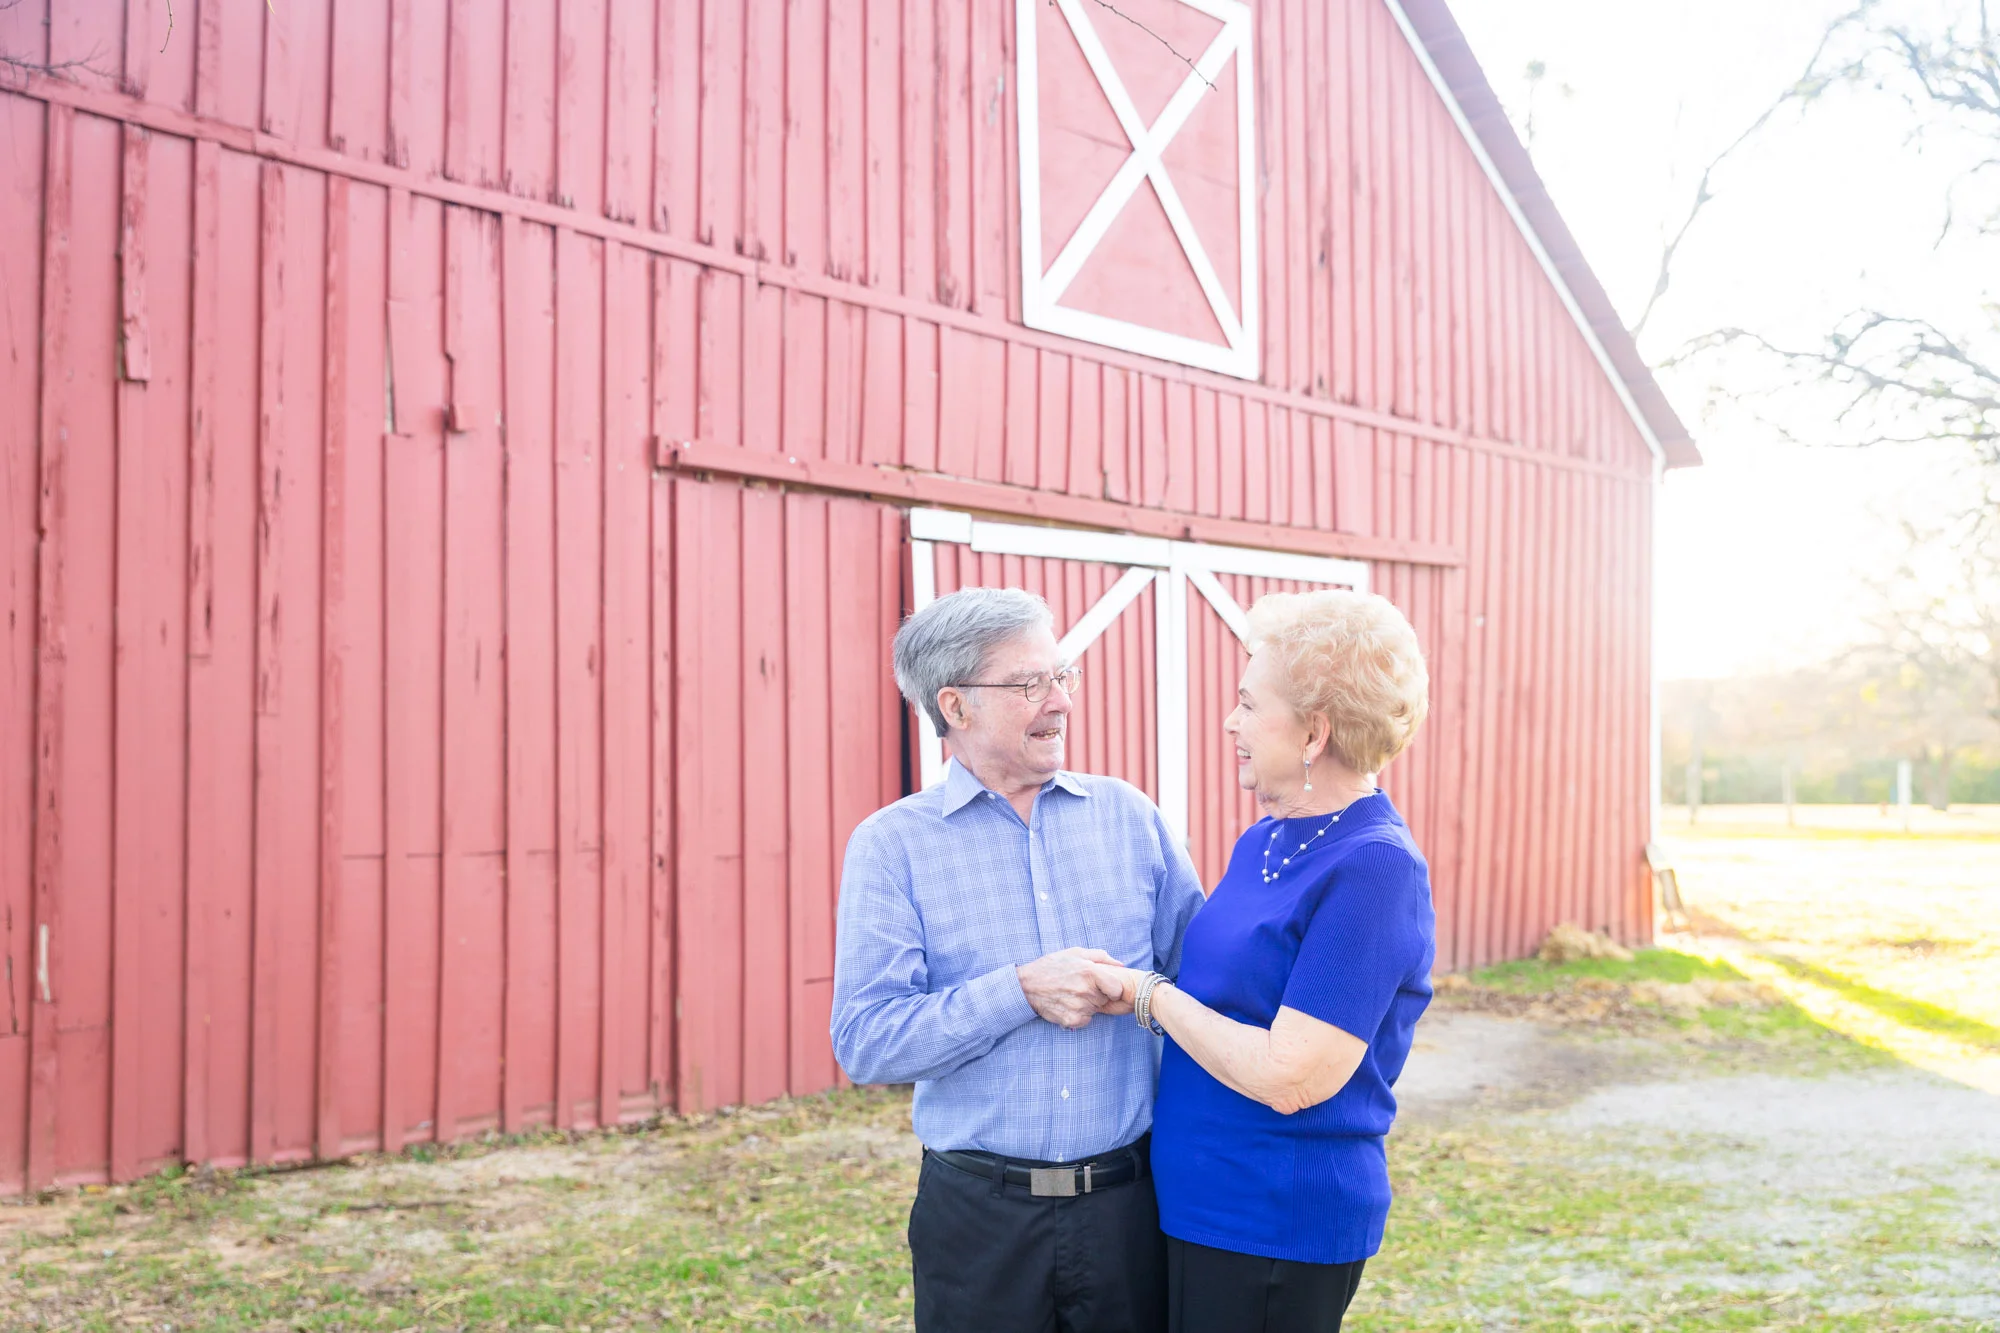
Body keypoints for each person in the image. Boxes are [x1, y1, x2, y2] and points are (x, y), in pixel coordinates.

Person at [831, 586, 1206, 1333]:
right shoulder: (892, 845)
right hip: (977, 1221)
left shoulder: (1130, 817)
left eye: (1062, 675)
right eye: (1028, 683)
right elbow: (866, 1042)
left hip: (1130, 1207)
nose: (1058, 700)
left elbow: (1205, 987)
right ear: (956, 707)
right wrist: (1018, 991)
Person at [1092, 588, 1435, 1333]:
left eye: (1249, 704)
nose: (1231, 722)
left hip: (1275, 1216)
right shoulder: (1266, 841)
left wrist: (1148, 994)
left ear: (1314, 731)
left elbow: (1292, 1074)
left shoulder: (1375, 868)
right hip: (1200, 1199)